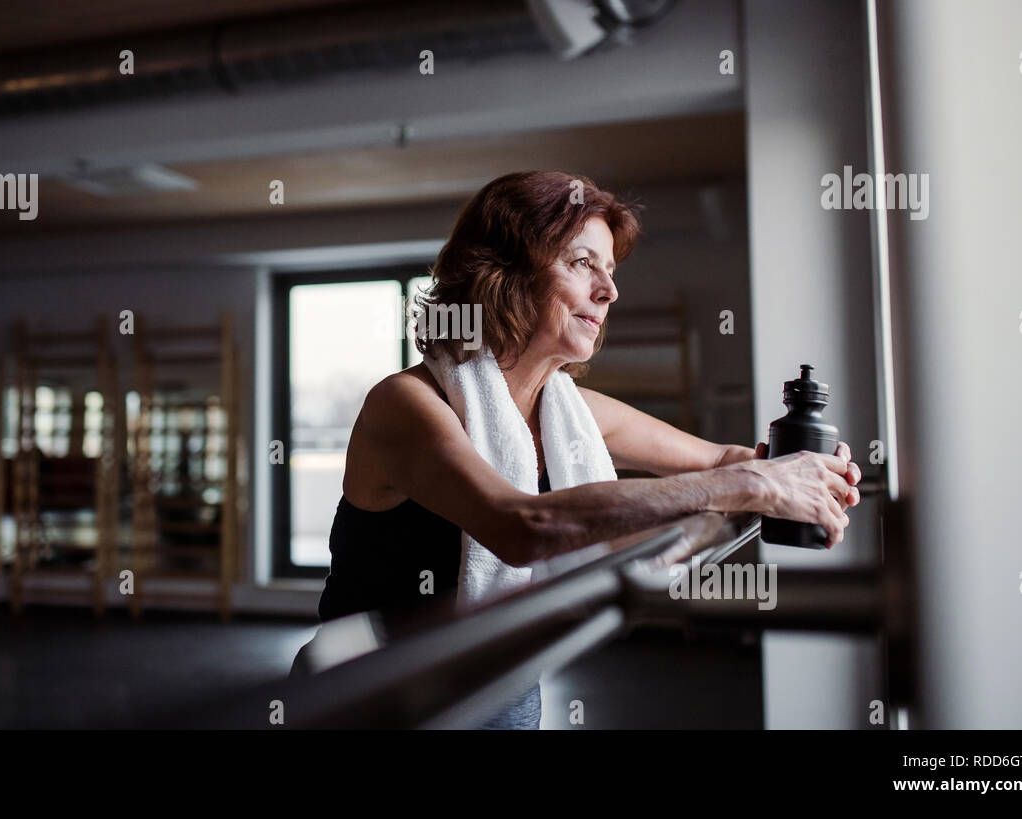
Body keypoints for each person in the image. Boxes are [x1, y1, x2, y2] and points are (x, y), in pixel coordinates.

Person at [292, 170, 861, 729]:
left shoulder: (569, 413)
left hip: (500, 691)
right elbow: (521, 527)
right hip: (369, 702)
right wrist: (754, 486)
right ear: (504, 272)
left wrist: (804, 470)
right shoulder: (406, 404)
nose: (609, 290)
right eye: (583, 262)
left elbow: (720, 462)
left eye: (610, 271)